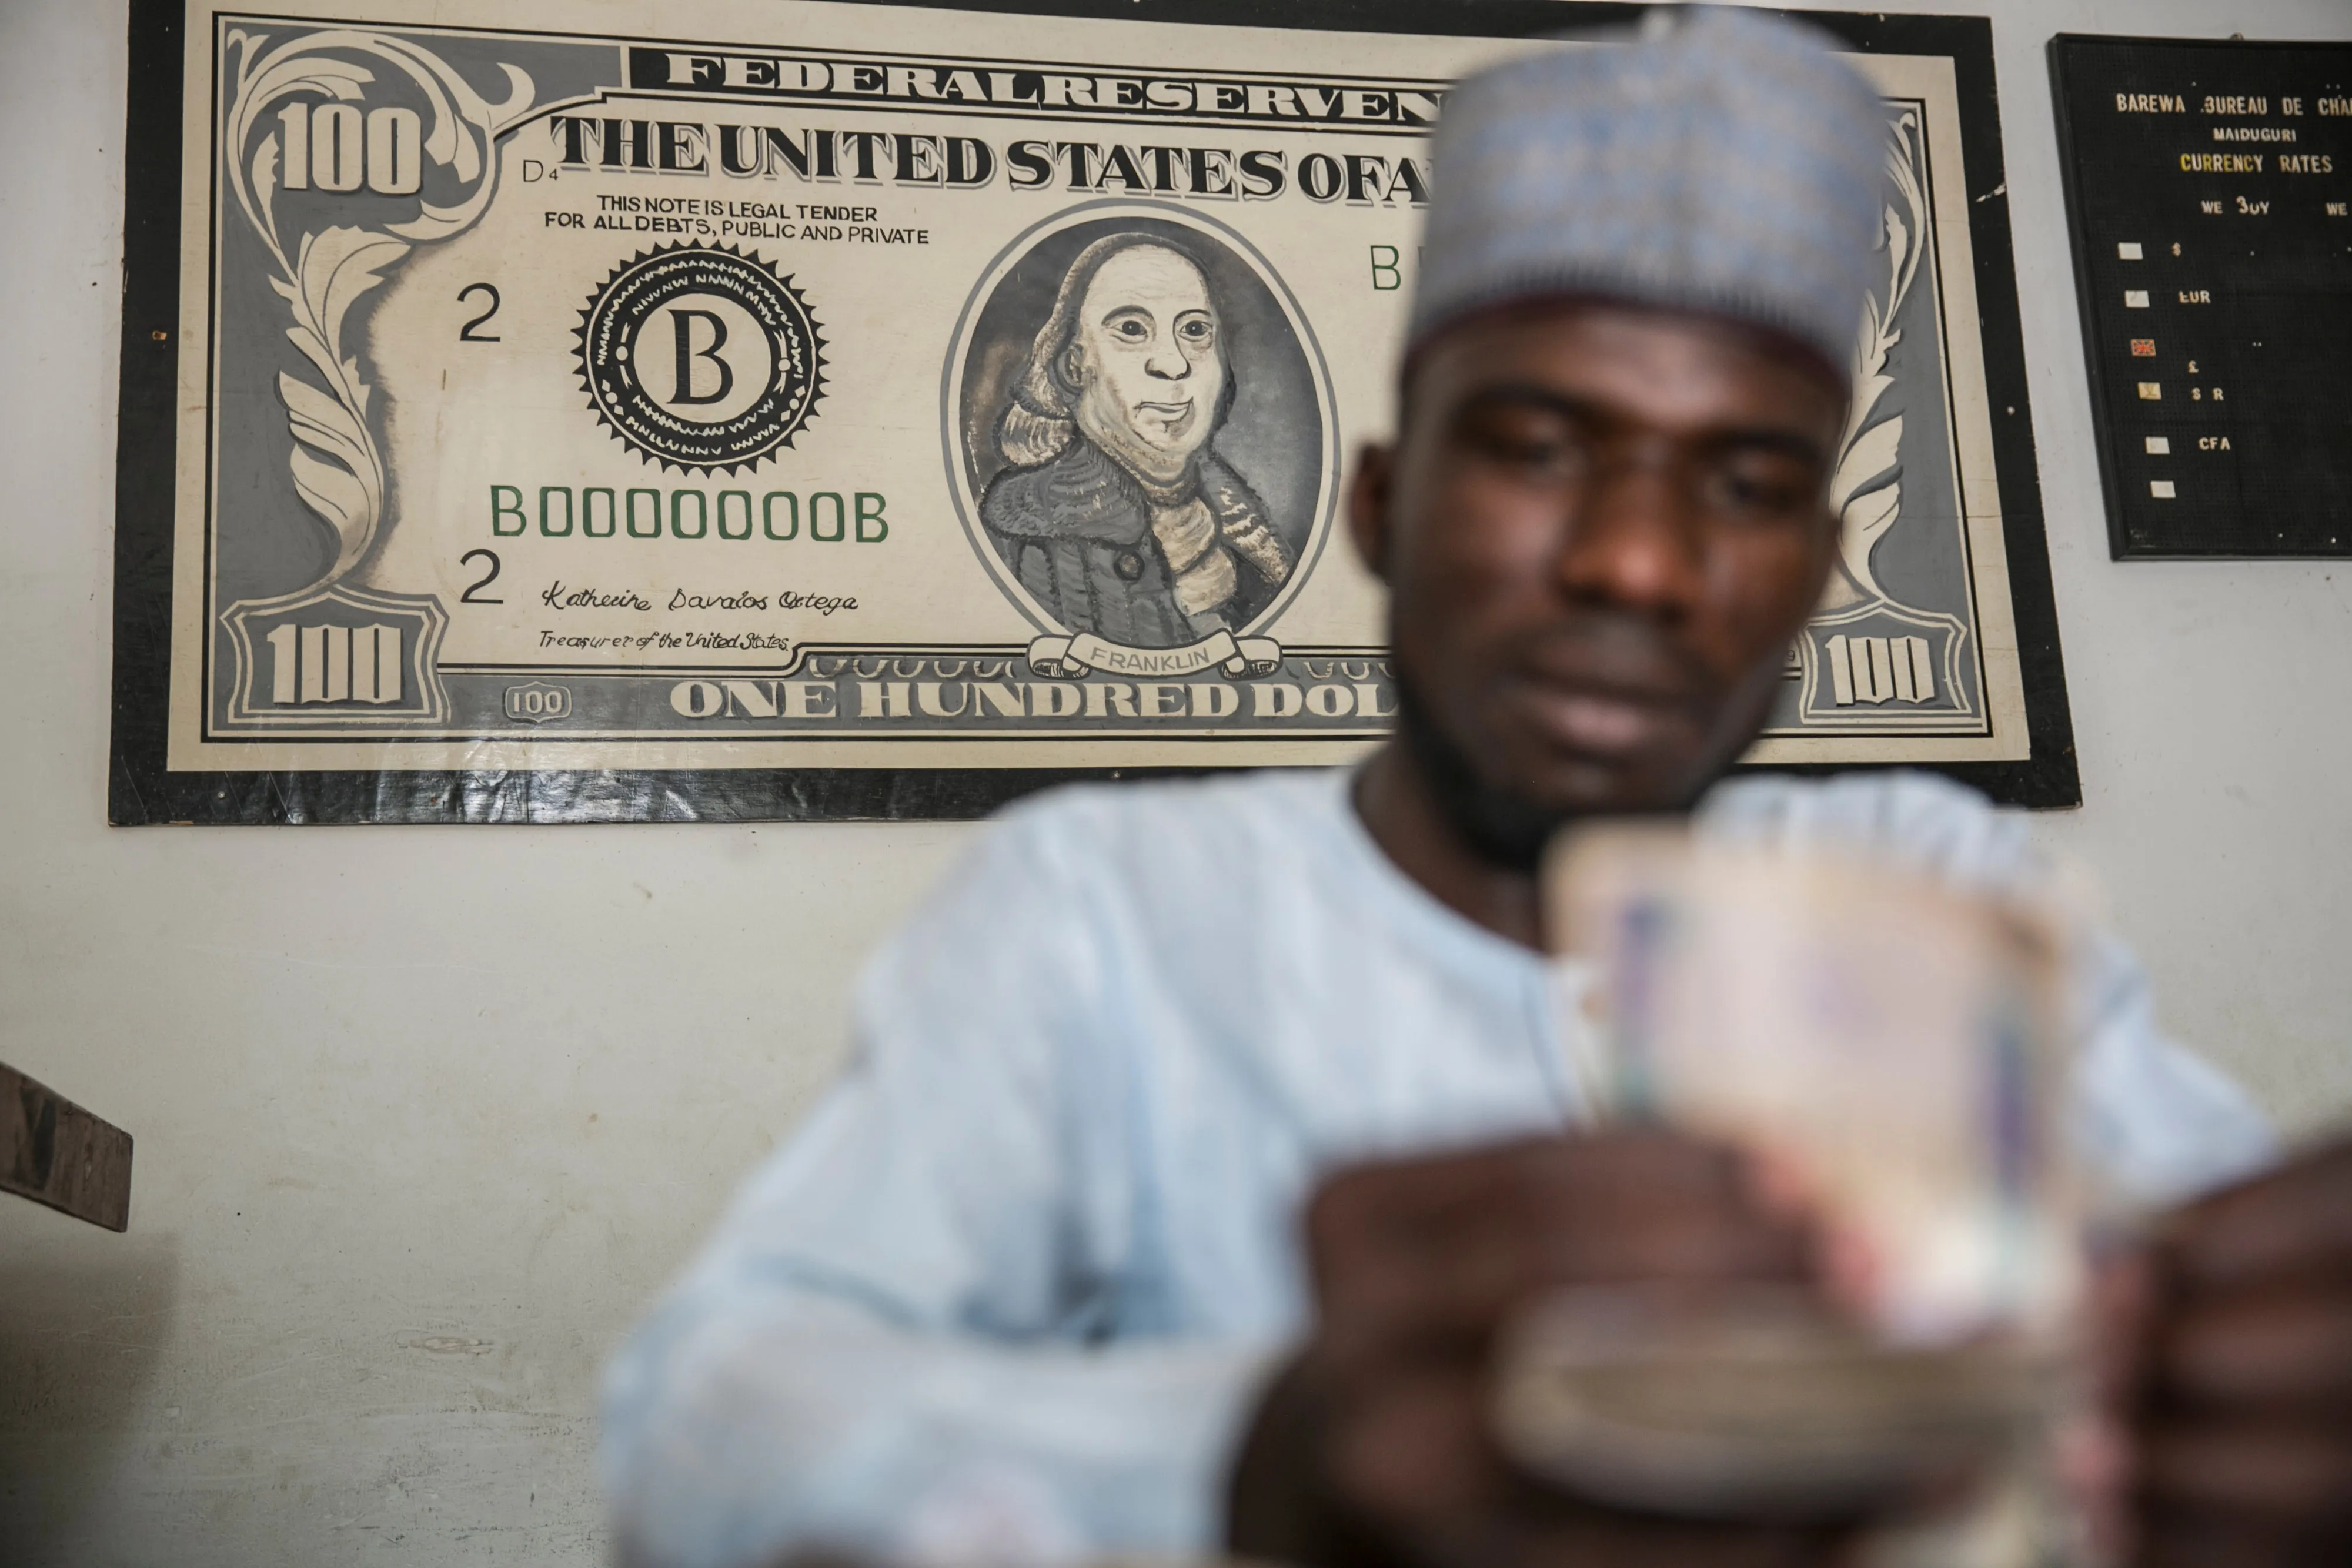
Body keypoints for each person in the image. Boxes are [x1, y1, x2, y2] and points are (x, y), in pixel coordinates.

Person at [604, 14, 2352, 1568]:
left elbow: (2203, 1293)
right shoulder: (1109, 907)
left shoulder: (1921, 873)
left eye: (1742, 484)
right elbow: (708, 1422)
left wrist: (2251, 1404)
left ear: (1817, 569)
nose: (1640, 564)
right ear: (1373, 507)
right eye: (1535, 449)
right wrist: (1250, 1460)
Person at [980, 233, 1293, 648]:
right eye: (1131, 328)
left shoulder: (1246, 526)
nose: (1174, 363)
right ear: (1076, 365)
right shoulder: (1025, 532)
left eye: (1196, 330)